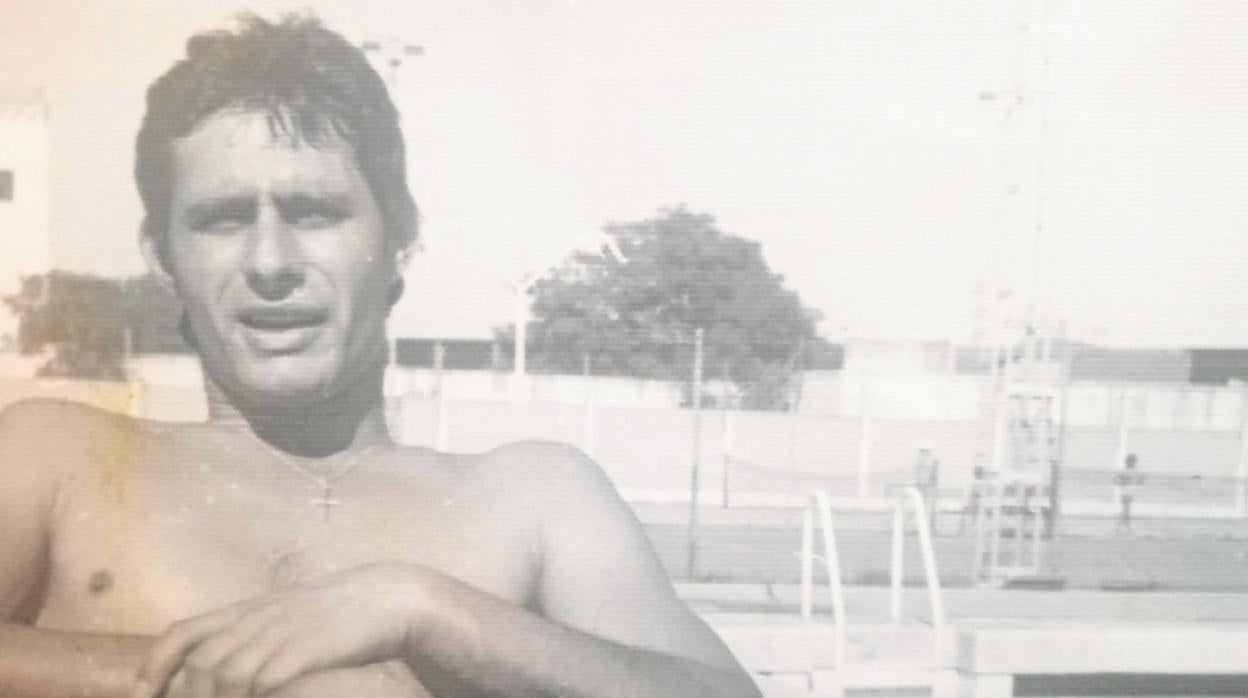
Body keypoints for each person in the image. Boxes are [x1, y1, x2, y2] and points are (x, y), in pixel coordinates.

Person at [0, 14, 760, 698]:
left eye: (314, 212)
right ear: (163, 255)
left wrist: (421, 608)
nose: (270, 260)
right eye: (222, 219)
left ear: (399, 237)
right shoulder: (64, 458)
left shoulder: (533, 498)